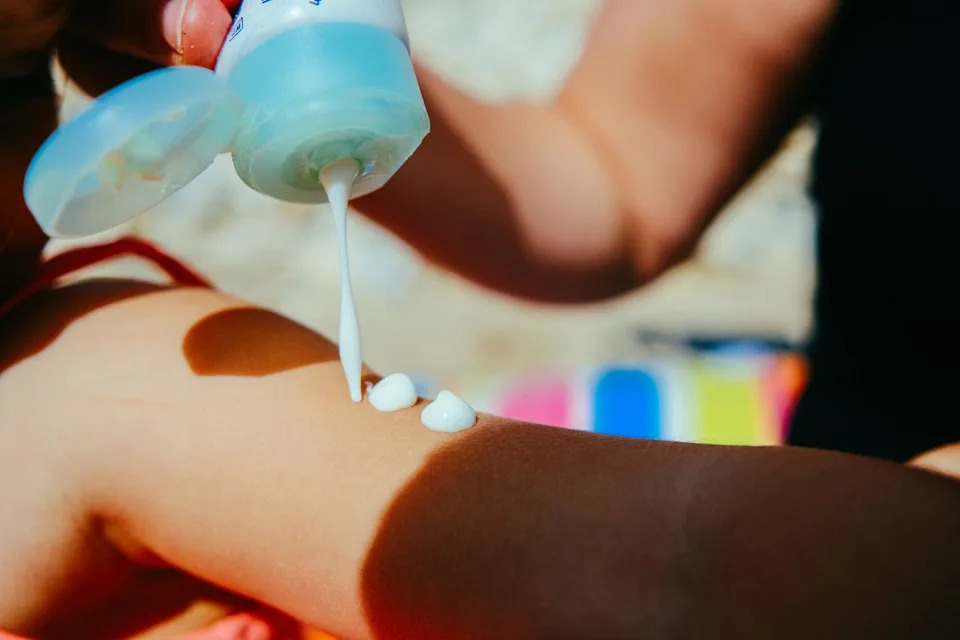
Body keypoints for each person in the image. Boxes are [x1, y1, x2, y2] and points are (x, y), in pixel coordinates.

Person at [1, 1, 957, 638]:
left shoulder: (122, 390)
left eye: (16, 83)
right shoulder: (113, 395)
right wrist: (295, 60)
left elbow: (695, 573)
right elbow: (615, 179)